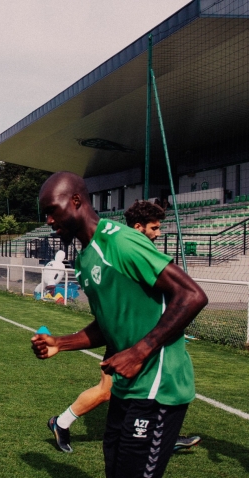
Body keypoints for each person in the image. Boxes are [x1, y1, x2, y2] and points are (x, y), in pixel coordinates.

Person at [31, 172, 207, 478]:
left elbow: (192, 295)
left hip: (158, 387)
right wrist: (61, 342)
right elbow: (108, 325)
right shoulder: (85, 259)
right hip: (126, 389)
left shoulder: (122, 241)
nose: (48, 220)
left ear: (76, 201)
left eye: (52, 210)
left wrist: (139, 352)